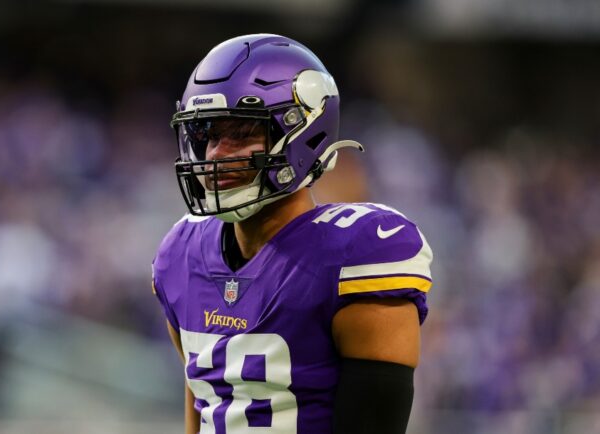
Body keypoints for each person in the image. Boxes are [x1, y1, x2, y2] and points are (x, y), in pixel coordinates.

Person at [152, 34, 433, 434]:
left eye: (242, 132)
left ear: (304, 134)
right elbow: (204, 401)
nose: (215, 153)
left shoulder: (355, 254)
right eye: (210, 134)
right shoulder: (180, 254)